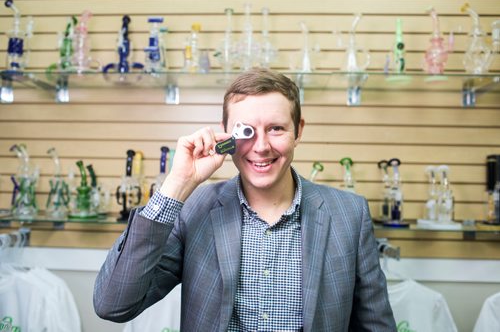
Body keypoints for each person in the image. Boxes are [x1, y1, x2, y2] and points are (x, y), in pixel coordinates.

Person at [94, 68, 396, 331]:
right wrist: (176, 185)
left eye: (276, 128)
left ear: (298, 131)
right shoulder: (195, 211)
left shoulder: (349, 215)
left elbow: (375, 326)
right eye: (247, 131)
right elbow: (113, 304)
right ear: (226, 135)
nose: (261, 147)